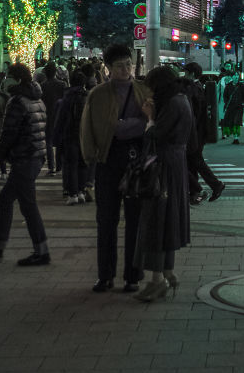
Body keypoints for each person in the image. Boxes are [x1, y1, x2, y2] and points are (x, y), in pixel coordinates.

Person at [80, 42, 152, 293]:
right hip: (107, 161)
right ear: (108, 68)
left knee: (135, 220)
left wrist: (123, 126)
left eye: (128, 64)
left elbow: (149, 123)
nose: (125, 69)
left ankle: (133, 276)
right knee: (106, 220)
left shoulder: (144, 91)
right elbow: (89, 127)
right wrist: (91, 156)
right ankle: (105, 275)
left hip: (136, 161)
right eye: (120, 65)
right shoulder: (98, 94)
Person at [0, 62, 50, 266]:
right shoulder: (37, 99)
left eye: (8, 76)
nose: (5, 80)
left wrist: (1, 152)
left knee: (27, 205)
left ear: (16, 79)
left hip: (25, 158)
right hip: (34, 157)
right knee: (6, 199)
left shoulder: (18, 101)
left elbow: (9, 132)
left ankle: (41, 250)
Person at [132, 65, 193, 302]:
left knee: (157, 221)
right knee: (169, 220)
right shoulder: (182, 100)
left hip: (163, 167)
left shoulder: (171, 104)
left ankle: (157, 280)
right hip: (176, 164)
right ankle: (168, 272)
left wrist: (149, 119)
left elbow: (156, 135)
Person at [183, 62, 225, 201]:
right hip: (198, 132)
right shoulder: (198, 87)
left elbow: (194, 113)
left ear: (192, 74)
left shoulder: (193, 89)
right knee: (192, 161)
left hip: (196, 132)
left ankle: (214, 185)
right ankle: (195, 191)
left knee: (196, 160)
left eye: (186, 72)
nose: (185, 75)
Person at [53, 67, 90, 204]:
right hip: (84, 136)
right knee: (82, 164)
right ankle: (81, 191)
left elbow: (60, 119)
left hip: (69, 135)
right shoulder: (88, 97)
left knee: (71, 165)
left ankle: (73, 194)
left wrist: (56, 138)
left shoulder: (67, 98)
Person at [37, 59, 67, 180]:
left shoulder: (42, 86)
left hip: (47, 115)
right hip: (60, 114)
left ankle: (51, 167)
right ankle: (60, 165)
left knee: (48, 142)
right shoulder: (62, 84)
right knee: (60, 141)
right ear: (55, 72)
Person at [222, 71, 244, 142]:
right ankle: (229, 133)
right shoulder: (228, 86)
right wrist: (227, 103)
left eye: (237, 75)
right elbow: (225, 96)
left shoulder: (241, 86)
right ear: (232, 77)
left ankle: (236, 137)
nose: (236, 77)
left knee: (236, 122)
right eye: (235, 75)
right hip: (230, 107)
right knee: (230, 121)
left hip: (239, 107)